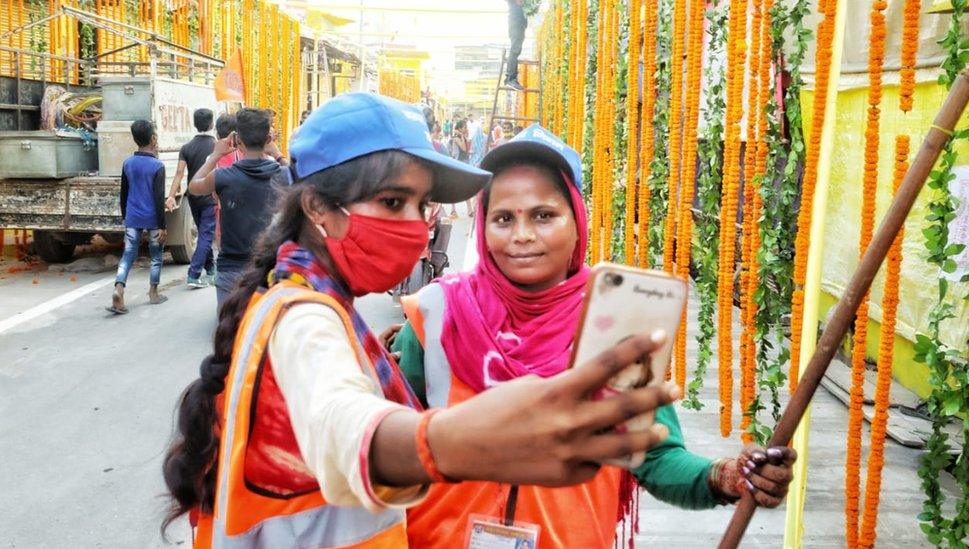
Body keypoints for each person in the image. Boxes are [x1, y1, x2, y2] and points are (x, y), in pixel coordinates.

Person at [161, 93, 680, 548]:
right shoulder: (305, 317)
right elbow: (340, 422)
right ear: (320, 207)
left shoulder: (324, 306)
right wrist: (457, 444)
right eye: (393, 202)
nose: (416, 226)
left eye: (421, 205)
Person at [391, 124, 798, 548]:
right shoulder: (435, 314)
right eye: (503, 218)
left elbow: (654, 457)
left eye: (544, 215)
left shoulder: (616, 324)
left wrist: (726, 476)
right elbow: (380, 447)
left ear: (577, 220)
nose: (522, 235)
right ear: (485, 228)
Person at [188, 108, 288, 309]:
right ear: (268, 138)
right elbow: (304, 179)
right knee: (267, 334)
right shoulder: (283, 175)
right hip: (270, 270)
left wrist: (215, 155)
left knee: (230, 337)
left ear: (237, 140)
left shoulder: (222, 177)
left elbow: (193, 186)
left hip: (230, 271)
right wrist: (276, 153)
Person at [107, 120, 168, 314]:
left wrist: (125, 215)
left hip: (132, 217)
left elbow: (123, 193)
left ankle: (119, 290)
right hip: (152, 218)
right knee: (156, 257)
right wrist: (162, 226)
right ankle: (153, 292)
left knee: (127, 256)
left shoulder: (128, 163)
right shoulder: (158, 165)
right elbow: (159, 199)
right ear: (152, 139)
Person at [166, 108, 217, 289]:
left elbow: (179, 174)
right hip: (210, 195)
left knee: (204, 233)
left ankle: (211, 269)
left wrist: (171, 196)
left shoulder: (186, 147)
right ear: (212, 124)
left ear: (194, 124)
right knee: (206, 235)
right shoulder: (217, 146)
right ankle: (194, 274)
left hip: (193, 196)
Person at [504, 0, 528, 90]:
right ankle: (510, 78)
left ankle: (511, 78)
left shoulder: (519, 6)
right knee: (515, 50)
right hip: (515, 24)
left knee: (516, 50)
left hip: (519, 25)